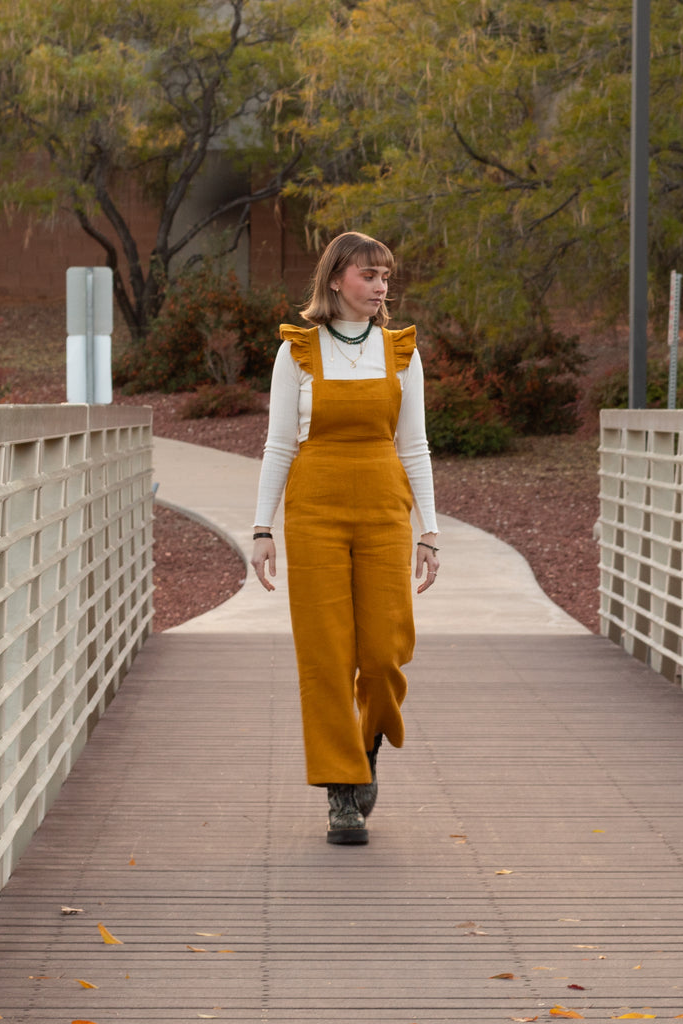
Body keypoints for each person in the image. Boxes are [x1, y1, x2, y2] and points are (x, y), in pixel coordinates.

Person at [250, 230, 440, 846]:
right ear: (336, 280)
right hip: (315, 511)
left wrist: (429, 532)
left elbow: (414, 445)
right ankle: (341, 793)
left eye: (386, 276)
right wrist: (262, 527)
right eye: (368, 275)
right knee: (327, 655)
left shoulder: (401, 351)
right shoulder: (297, 352)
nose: (381, 286)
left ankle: (365, 746)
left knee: (383, 652)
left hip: (386, 509)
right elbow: (280, 443)